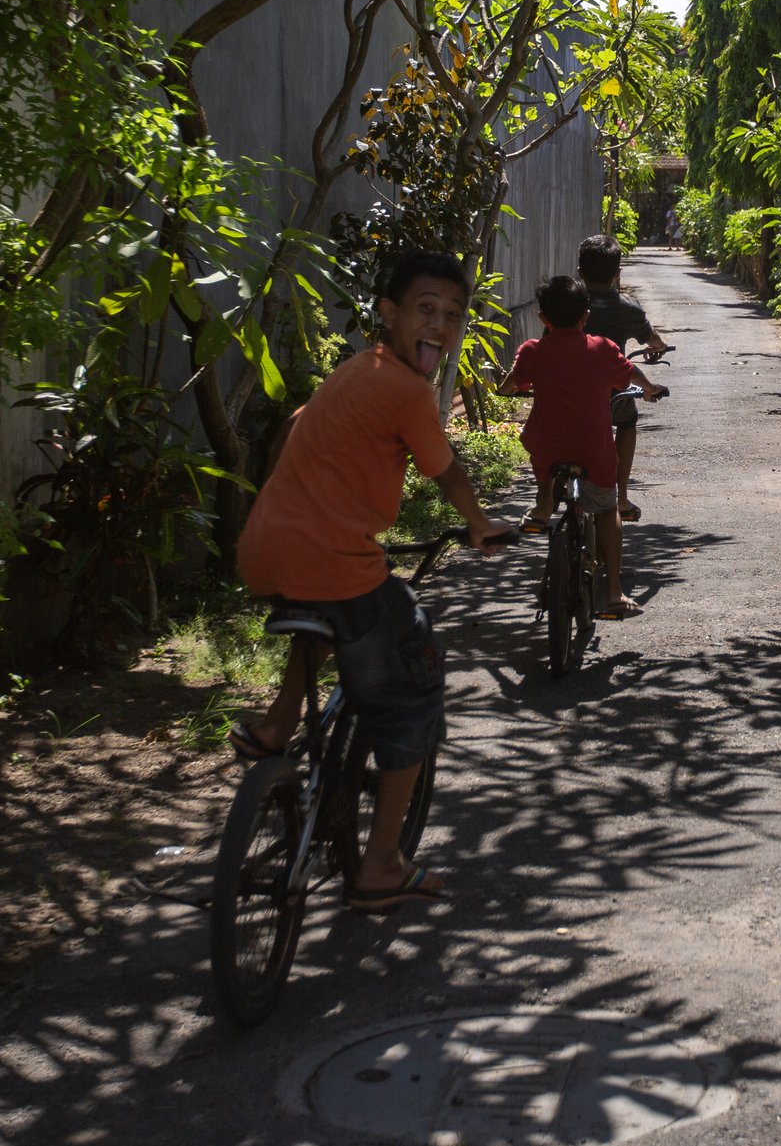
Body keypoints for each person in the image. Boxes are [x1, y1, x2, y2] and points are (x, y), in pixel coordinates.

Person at [232, 250, 510, 913]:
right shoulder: (408, 390)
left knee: (331, 619)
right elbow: (444, 470)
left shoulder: (356, 368)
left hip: (266, 550)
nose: (440, 324)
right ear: (390, 313)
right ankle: (381, 863)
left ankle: (275, 727)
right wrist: (479, 523)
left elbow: (297, 427)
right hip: (334, 561)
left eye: (452, 314)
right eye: (426, 309)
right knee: (411, 687)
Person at [498, 274, 667, 617]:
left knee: (541, 445)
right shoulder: (603, 349)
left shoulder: (532, 351)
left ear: (542, 318)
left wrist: (511, 388)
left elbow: (509, 385)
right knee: (606, 510)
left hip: (547, 445)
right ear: (585, 316)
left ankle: (543, 504)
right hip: (592, 448)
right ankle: (615, 594)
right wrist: (649, 388)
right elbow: (630, 372)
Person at [576, 233, 668, 521]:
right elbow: (651, 339)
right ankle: (622, 497)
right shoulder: (628, 308)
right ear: (617, 274)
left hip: (567, 389)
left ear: (579, 272)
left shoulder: (569, 304)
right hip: (612, 392)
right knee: (627, 422)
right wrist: (660, 347)